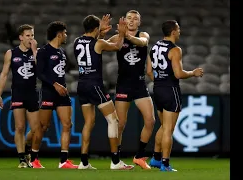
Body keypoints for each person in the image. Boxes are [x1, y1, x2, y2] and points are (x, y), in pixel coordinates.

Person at [74, 14, 133, 170]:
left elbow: (90, 43)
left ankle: (84, 162)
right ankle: (115, 162)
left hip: (81, 84)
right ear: (95, 29)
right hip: (95, 85)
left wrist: (101, 32)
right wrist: (121, 33)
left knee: (88, 123)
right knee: (113, 121)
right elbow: (117, 46)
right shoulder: (98, 43)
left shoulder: (76, 42)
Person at [146, 20, 204, 171]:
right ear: (173, 32)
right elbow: (178, 74)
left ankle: (156, 159)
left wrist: (160, 82)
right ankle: (165, 164)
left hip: (157, 89)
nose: (179, 31)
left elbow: (149, 72)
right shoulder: (175, 50)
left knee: (164, 126)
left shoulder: (155, 46)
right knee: (168, 130)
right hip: (170, 91)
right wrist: (193, 73)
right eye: (178, 29)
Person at [106, 10, 155, 169]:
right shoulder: (117, 37)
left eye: (135, 19)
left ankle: (140, 156)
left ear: (139, 23)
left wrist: (126, 36)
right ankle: (116, 160)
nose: (132, 21)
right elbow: (101, 45)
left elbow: (142, 43)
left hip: (140, 84)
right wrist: (101, 32)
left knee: (150, 120)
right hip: (123, 84)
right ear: (125, 21)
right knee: (120, 124)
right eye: (129, 18)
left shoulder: (143, 35)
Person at [26, 21, 78, 169]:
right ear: (59, 34)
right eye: (65, 33)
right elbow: (39, 73)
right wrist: (55, 84)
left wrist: (60, 85)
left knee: (67, 124)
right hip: (49, 92)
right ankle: (34, 159)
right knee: (43, 126)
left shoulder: (62, 52)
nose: (66, 35)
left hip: (62, 93)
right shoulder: (44, 51)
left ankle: (63, 161)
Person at [0, 24, 42, 168]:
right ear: (21, 37)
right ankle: (22, 159)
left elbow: (41, 71)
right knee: (20, 127)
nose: (31, 38)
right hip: (18, 93)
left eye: (33, 35)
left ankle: (28, 148)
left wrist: (35, 52)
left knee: (36, 129)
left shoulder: (37, 52)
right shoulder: (11, 53)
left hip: (32, 93)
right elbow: (4, 74)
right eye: (28, 36)